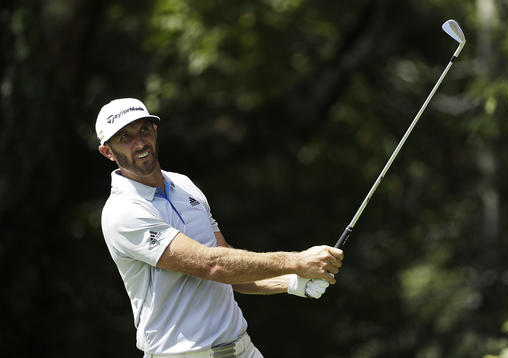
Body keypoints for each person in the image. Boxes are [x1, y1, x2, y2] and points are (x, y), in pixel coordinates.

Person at [95, 98, 344, 358]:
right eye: (125, 136)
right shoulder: (123, 212)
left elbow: (227, 265)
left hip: (242, 349)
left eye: (144, 130)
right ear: (108, 152)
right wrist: (296, 261)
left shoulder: (184, 185)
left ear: (155, 132)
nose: (139, 142)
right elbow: (211, 265)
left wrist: (290, 282)